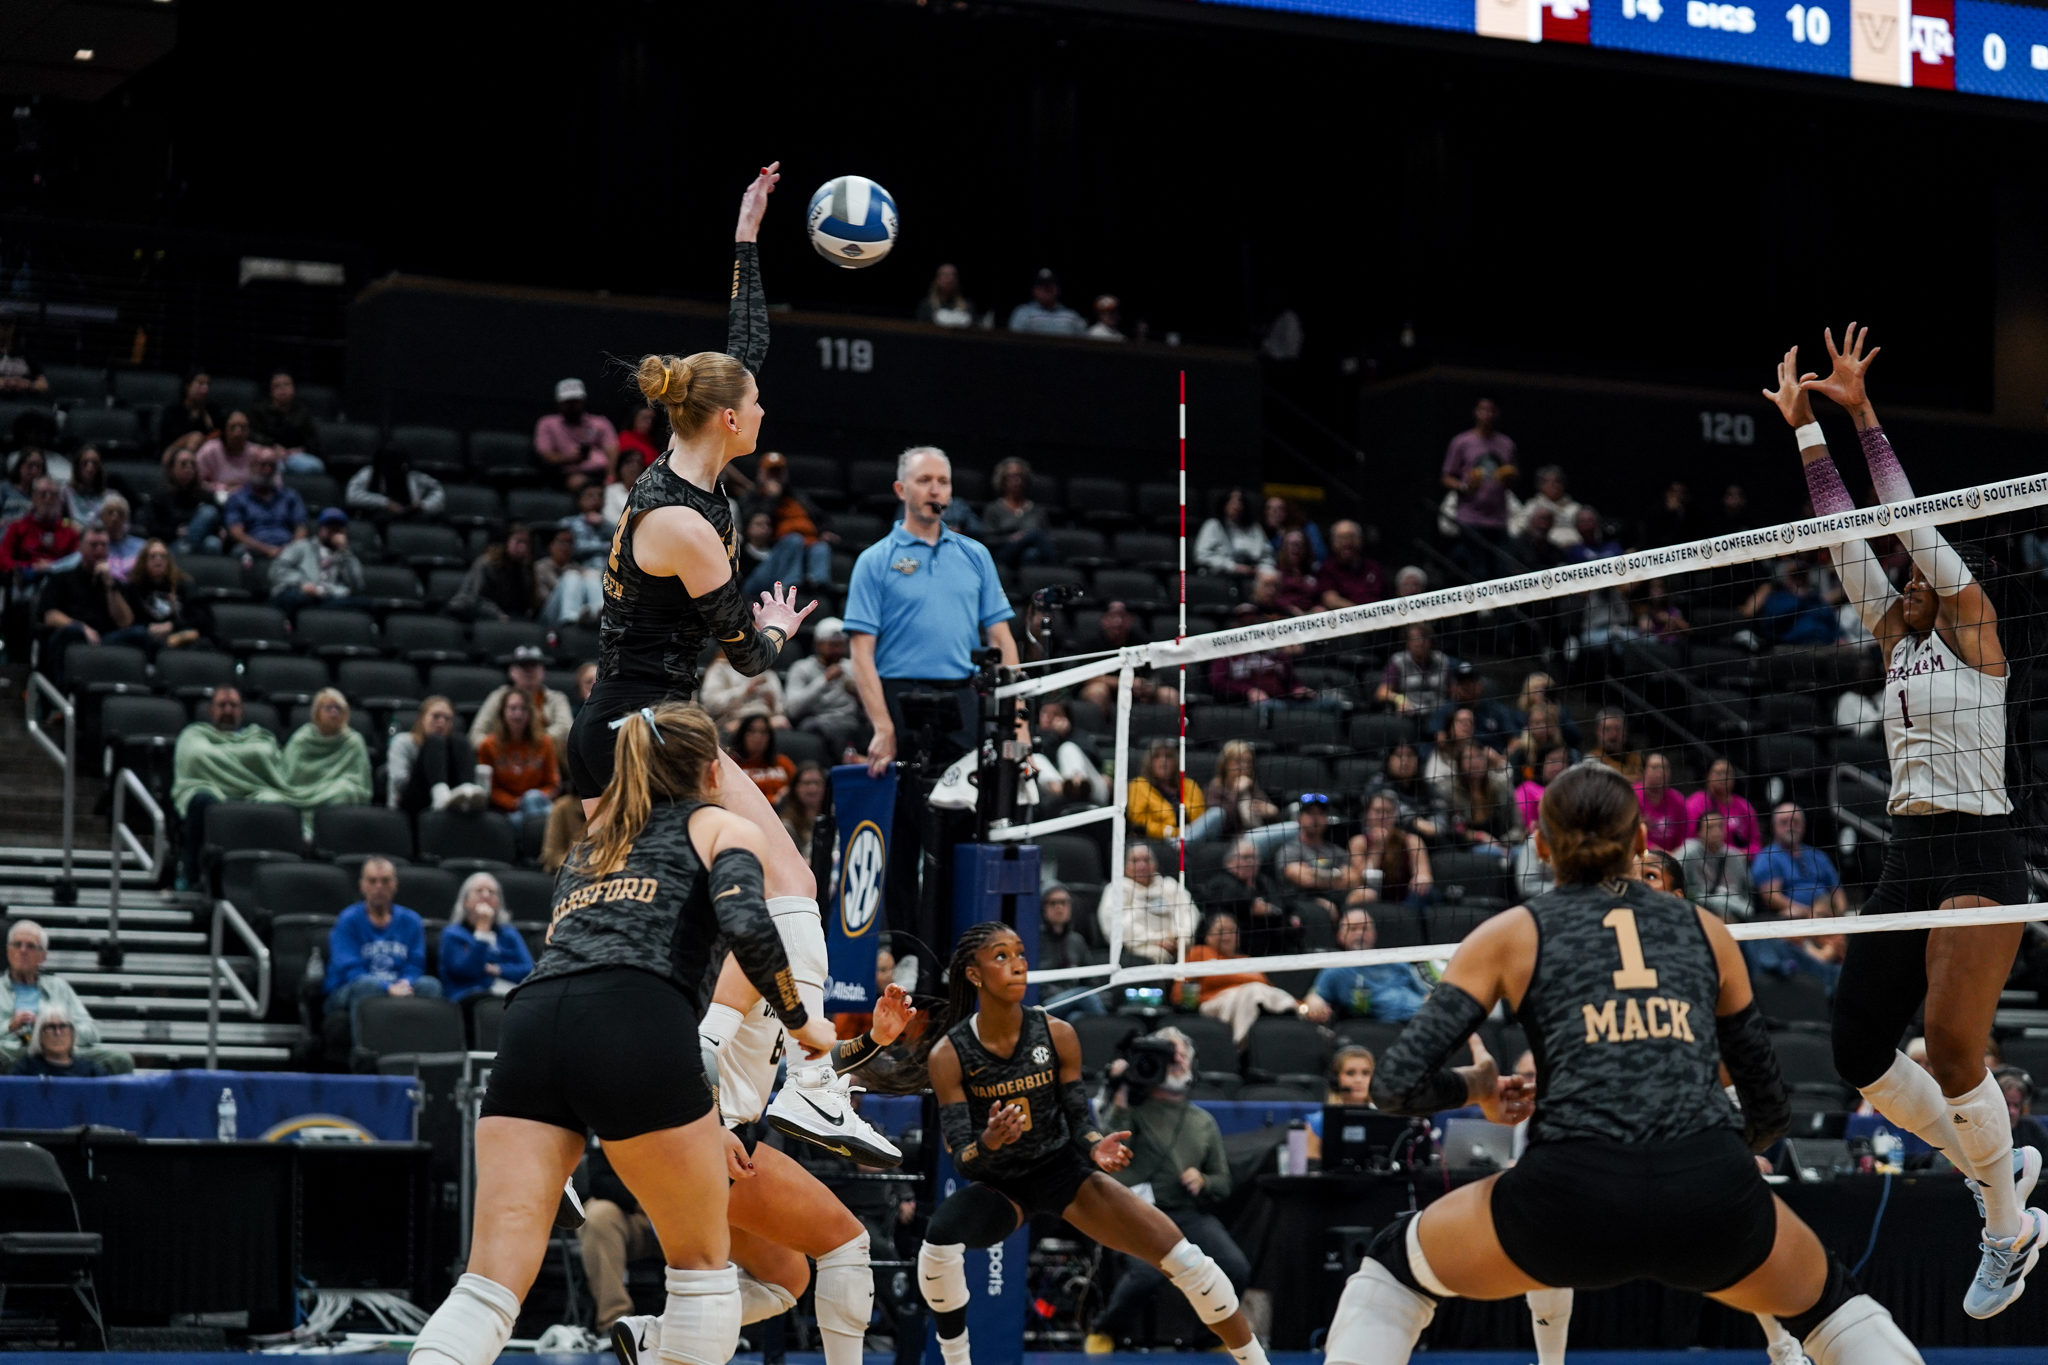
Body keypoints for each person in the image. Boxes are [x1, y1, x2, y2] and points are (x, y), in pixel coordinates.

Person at [1325, 761, 1922, 1365]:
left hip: (1570, 1196)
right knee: (1836, 1308)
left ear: (1541, 847)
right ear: (1640, 841)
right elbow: (1770, 1111)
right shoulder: (1710, 932)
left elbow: (1394, 1086)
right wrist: (1695, 1151)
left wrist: (1475, 1085)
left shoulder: (1509, 934)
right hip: (1707, 1191)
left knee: (1393, 1273)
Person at [559, 167, 845, 1157]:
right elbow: (747, 654)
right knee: (786, 884)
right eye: (754, 403)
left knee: (640, 938)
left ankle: (645, 1096)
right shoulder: (684, 523)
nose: (764, 407)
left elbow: (744, 346)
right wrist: (783, 628)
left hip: (619, 726)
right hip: (649, 733)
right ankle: (811, 1079)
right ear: (727, 419)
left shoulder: (690, 463)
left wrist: (747, 235)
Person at [405, 701, 821, 1365]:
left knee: (485, 1290)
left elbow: (563, 944)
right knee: (702, 1274)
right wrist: (803, 1020)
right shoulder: (723, 825)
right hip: (636, 1016)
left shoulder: (591, 844)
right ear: (715, 771)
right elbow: (751, 927)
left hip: (532, 1023)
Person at [1771, 324, 2045, 1311]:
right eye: (1910, 571)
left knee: (1953, 1044)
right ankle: (1993, 1171)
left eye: (1927, 566)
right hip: (1908, 850)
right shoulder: (1892, 633)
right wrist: (1804, 429)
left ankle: (2006, 1231)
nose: (1914, 572)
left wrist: (1861, 413)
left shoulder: (1975, 626)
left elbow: (1903, 519)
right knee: (1856, 1048)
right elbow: (1847, 536)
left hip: (1978, 846)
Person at [607, 712, 914, 1365]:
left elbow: (808, 1055)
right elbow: (701, 1048)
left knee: (786, 1279)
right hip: (705, 1130)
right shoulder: (749, 953)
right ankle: (672, 1339)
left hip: (684, 1133)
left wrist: (875, 1040)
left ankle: (655, 1338)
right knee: (847, 1244)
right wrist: (713, 1125)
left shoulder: (786, 981)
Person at [916, 923, 1274, 1365]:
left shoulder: (1057, 1033)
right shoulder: (949, 1054)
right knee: (937, 1244)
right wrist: (989, 1141)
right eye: (1002, 956)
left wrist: (1095, 1146)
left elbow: (1079, 1121)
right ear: (974, 975)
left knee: (1188, 1260)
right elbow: (963, 1159)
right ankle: (956, 1361)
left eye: (1021, 953)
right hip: (1002, 1185)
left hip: (1064, 1173)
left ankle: (1256, 1361)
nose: (1018, 965)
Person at [844, 444, 1020, 938]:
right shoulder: (874, 561)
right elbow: (861, 654)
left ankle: (954, 947)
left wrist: (1017, 714)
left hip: (961, 698)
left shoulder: (976, 555)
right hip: (898, 698)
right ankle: (904, 949)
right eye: (924, 480)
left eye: (942, 481)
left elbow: (1003, 640)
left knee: (963, 826)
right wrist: (882, 726)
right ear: (901, 490)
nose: (935, 489)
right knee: (901, 831)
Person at [1087, 1027, 1251, 1350]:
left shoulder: (1203, 1121)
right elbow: (1109, 1150)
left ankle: (1208, 1339)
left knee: (1235, 1267)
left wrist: (1203, 1180)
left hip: (1186, 1214)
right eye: (1167, 1054)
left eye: (1181, 1055)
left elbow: (1223, 1183)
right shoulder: (1132, 1110)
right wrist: (1123, 1087)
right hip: (1137, 1212)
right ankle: (1104, 1330)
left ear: (1192, 1064)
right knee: (1146, 1274)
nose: (1176, 1060)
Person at [172, 686, 288, 889]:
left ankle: (273, 881)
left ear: (241, 710)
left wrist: (220, 757)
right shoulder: (193, 735)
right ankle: (191, 876)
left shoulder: (259, 737)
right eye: (222, 705)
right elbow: (193, 756)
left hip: (255, 792)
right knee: (200, 801)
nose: (228, 710)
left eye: (233, 705)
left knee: (277, 805)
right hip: (209, 790)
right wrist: (241, 757)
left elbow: (270, 762)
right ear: (211, 710)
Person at [322, 857, 443, 1042]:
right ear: (362, 886)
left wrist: (405, 984)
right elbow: (351, 971)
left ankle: (427, 1050)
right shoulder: (348, 920)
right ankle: (365, 1051)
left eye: (385, 881)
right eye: (372, 881)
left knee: (430, 986)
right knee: (367, 985)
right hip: (348, 990)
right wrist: (388, 988)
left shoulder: (411, 921)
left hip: (399, 984)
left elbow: (415, 965)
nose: (379, 887)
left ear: (395, 885)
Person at [1, 920, 132, 1073]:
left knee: (120, 1059)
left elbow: (92, 1031)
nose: (23, 951)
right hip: (15, 1051)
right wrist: (9, 1026)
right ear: (8, 951)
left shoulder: (59, 987)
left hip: (62, 1053)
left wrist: (56, 1029)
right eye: (17, 945)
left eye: (30, 946)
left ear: (43, 956)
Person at [40, 525, 148, 676]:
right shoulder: (60, 579)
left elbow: (125, 622)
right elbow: (50, 616)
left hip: (107, 639)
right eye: (93, 545)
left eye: (103, 545)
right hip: (75, 636)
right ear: (80, 548)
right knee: (70, 633)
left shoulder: (116, 583)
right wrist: (82, 628)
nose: (99, 550)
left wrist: (110, 585)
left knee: (139, 634)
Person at [1180, 912, 1297, 1044]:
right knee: (1252, 991)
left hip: (1250, 1001)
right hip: (1214, 1003)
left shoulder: (1246, 960)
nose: (1227, 936)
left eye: (1232, 932)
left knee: (1259, 992)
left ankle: (1294, 1016)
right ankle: (1239, 1045)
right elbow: (1180, 992)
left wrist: (1302, 1005)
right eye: (1221, 931)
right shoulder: (1198, 952)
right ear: (1207, 935)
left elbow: (1270, 989)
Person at [1301, 906, 1433, 1023]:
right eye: (1353, 929)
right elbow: (1314, 996)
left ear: (1374, 934)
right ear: (1340, 936)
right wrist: (1314, 1004)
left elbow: (1425, 993)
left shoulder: (1394, 960)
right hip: (1391, 1024)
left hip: (1423, 1017)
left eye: (1365, 928)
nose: (1360, 933)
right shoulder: (1336, 969)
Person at [1440, 397, 1517, 576]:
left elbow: (1513, 477)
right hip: (1471, 517)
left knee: (1502, 571)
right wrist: (1464, 486)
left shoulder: (1506, 444)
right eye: (1483, 409)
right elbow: (1446, 477)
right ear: (1475, 412)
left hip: (1498, 518)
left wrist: (1509, 477)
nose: (1487, 414)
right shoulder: (1462, 442)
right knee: (1478, 571)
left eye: (1491, 410)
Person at [279, 688, 373, 834]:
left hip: (335, 792)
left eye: (338, 708)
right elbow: (288, 775)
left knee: (344, 792)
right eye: (329, 708)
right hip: (300, 793)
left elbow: (360, 781)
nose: (334, 712)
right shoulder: (301, 739)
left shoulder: (354, 742)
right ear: (317, 712)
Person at [1275, 793, 1365, 939]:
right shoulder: (1289, 850)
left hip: (1338, 898)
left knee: (1365, 893)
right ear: (1299, 818)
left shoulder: (1336, 850)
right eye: (1310, 813)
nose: (1315, 818)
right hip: (1302, 900)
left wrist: (1314, 873)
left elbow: (1354, 879)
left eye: (1320, 814)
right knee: (1325, 908)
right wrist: (1338, 875)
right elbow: (1304, 879)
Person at [440, 873, 535, 1005]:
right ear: (465, 901)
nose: (486, 895)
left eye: (492, 892)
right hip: (467, 997)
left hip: (509, 992)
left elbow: (529, 970)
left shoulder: (509, 933)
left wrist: (495, 969)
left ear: (499, 902)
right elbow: (467, 971)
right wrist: (482, 931)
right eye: (479, 891)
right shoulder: (452, 933)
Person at [1194, 837, 1296, 958]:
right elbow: (1250, 905)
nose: (1251, 862)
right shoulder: (1221, 881)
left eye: (1254, 858)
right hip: (1241, 944)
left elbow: (1280, 905)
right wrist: (1262, 908)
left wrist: (1273, 910)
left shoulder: (1263, 881)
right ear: (1230, 861)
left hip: (1271, 942)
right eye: (1245, 857)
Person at [477, 688, 561, 833]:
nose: (518, 714)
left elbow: (552, 784)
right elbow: (489, 789)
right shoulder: (488, 746)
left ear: (531, 713)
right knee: (519, 820)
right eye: (513, 708)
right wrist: (515, 803)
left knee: (533, 800)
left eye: (523, 709)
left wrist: (530, 799)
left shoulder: (544, 743)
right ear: (503, 713)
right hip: (506, 812)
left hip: (538, 803)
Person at [1103, 842, 1199, 966]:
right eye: (1135, 861)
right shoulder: (1116, 889)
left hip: (1177, 943)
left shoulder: (1170, 885)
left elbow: (1189, 912)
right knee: (1158, 955)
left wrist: (1181, 937)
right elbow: (1116, 924)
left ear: (1155, 864)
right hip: (1141, 947)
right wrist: (1157, 939)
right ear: (1125, 866)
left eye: (1147, 860)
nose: (1142, 865)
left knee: (1198, 953)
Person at [390, 696, 488, 813]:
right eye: (436, 716)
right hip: (410, 803)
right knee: (435, 741)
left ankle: (467, 792)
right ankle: (440, 794)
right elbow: (399, 783)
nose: (441, 722)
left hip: (452, 802)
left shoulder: (455, 746)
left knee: (460, 740)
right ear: (422, 718)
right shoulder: (403, 741)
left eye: (447, 719)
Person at [785, 617, 863, 759]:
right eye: (832, 646)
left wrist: (857, 694)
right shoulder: (801, 668)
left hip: (849, 722)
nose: (837, 651)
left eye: (840, 645)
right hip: (818, 722)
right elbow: (792, 710)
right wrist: (824, 680)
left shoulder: (852, 668)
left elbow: (870, 705)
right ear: (818, 645)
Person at [470, 646, 575, 751]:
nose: (529, 671)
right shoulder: (498, 697)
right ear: (511, 671)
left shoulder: (557, 699)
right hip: (504, 756)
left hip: (545, 755)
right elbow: (476, 734)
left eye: (533, 665)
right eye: (523, 666)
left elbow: (566, 729)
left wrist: (531, 743)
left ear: (543, 671)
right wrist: (498, 748)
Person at [1749, 803, 1844, 918]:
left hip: (1826, 914)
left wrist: (1838, 914)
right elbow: (1772, 897)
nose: (1791, 826)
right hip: (1793, 918)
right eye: (1784, 822)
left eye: (1796, 822)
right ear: (1774, 827)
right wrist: (1809, 913)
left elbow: (1838, 892)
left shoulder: (1818, 856)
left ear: (1804, 825)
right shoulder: (1767, 857)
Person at [1203, 741, 1293, 857]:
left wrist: (1273, 813)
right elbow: (1223, 821)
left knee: (1296, 828)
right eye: (1238, 761)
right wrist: (1237, 792)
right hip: (1236, 840)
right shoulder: (1214, 789)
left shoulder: (1253, 789)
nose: (1244, 766)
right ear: (1225, 764)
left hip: (1259, 834)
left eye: (1248, 762)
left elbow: (1275, 822)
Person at [270, 506, 367, 613]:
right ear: (320, 529)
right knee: (295, 599)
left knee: (366, 605)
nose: (333, 531)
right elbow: (276, 570)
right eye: (329, 527)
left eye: (338, 528)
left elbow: (357, 586)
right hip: (300, 592)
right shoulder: (302, 546)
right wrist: (302, 583)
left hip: (328, 598)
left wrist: (345, 553)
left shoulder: (346, 556)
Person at [222, 449, 309, 564]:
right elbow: (236, 532)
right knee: (239, 551)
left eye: (272, 466)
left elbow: (301, 528)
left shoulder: (290, 496)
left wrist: (289, 550)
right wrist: (267, 550)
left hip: (288, 550)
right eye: (262, 465)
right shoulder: (237, 498)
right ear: (252, 467)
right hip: (254, 550)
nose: (267, 470)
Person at [1351, 791, 1434, 908]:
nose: (1383, 816)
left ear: (1395, 815)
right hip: (1372, 898)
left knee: (1425, 893)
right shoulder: (1359, 842)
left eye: (1388, 811)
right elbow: (1360, 880)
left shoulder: (1411, 840)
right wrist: (1377, 848)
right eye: (1378, 811)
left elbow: (1424, 873)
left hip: (1406, 898)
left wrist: (1422, 878)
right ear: (1368, 815)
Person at [534, 378, 618, 492]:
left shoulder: (600, 423)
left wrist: (611, 476)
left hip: (601, 472)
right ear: (559, 403)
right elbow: (546, 455)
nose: (572, 406)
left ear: (583, 401)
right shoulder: (547, 424)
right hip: (568, 474)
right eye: (567, 402)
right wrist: (572, 459)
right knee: (578, 482)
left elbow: (612, 450)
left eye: (575, 401)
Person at [1039, 885, 1108, 1020]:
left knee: (1076, 1017)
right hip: (1043, 1004)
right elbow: (1036, 985)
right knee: (1086, 996)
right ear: (1043, 907)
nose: (1059, 907)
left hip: (1073, 999)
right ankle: (1107, 1030)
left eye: (1064, 902)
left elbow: (1091, 979)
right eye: (1053, 903)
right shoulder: (1034, 942)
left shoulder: (1076, 940)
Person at [121, 539, 202, 652]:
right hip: (146, 638)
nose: (158, 559)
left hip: (179, 636)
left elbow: (200, 618)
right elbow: (130, 621)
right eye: (153, 556)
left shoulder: (184, 585)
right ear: (144, 561)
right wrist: (149, 628)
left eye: (162, 556)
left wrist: (172, 626)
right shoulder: (134, 588)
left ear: (169, 561)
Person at [1440, 745, 1522, 855]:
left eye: (1479, 756)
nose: (1475, 762)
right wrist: (1479, 836)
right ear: (1459, 763)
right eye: (1469, 758)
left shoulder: (1501, 787)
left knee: (1523, 852)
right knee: (1493, 853)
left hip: (1505, 846)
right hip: (1468, 849)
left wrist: (1504, 843)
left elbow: (1517, 826)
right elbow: (1450, 830)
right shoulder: (1450, 792)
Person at [1127, 741, 1217, 842]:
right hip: (1158, 840)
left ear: (1176, 762)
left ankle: (1184, 842)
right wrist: (1172, 832)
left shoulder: (1190, 785)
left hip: (1195, 838)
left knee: (1217, 814)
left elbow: (1200, 819)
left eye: (1168, 756)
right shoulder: (1139, 785)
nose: (1163, 761)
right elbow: (1138, 822)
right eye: (1157, 757)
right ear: (1149, 763)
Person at [448, 523, 537, 621]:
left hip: (503, 618)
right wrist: (497, 615)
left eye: (527, 543)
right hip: (471, 614)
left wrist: (527, 572)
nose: (523, 547)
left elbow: (525, 605)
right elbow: (474, 599)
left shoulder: (524, 568)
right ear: (506, 541)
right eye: (519, 542)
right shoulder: (487, 564)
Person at [982, 457, 1056, 570]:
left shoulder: (1037, 510)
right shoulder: (993, 509)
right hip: (1004, 554)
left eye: (1020, 477)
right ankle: (1055, 565)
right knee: (1035, 534)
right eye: (1011, 477)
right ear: (1002, 480)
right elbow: (988, 540)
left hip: (1032, 557)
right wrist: (1011, 538)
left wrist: (1024, 538)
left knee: (1030, 554)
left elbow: (1048, 538)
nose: (1017, 481)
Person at [1681, 810, 1755, 922]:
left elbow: (1747, 894)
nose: (1716, 832)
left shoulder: (1735, 857)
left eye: (1720, 826)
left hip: (1734, 913)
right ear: (1699, 832)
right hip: (1698, 913)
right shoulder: (1687, 853)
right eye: (1710, 827)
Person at [148, 446, 222, 555]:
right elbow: (152, 526)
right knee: (207, 513)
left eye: (193, 464)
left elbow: (218, 521)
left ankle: (190, 546)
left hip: (202, 539)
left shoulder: (205, 495)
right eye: (183, 464)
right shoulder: (161, 496)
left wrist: (220, 530)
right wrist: (175, 532)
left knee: (213, 543)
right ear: (172, 469)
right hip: (173, 541)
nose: (189, 468)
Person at [0, 476, 78, 575]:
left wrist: (53, 566)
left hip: (59, 579)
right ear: (34, 497)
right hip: (25, 578)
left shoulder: (69, 532)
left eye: (53, 494)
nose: (48, 498)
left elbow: (77, 560)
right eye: (43, 494)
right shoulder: (18, 527)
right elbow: (3, 558)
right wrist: (28, 568)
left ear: (59, 499)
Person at [347, 444, 446, 521]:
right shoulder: (368, 474)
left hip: (411, 521)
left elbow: (438, 492)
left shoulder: (414, 476)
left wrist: (423, 506)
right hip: (375, 520)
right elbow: (352, 496)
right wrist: (386, 503)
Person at [9, 1003, 108, 1077]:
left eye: (63, 1026)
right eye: (50, 1027)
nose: (58, 1033)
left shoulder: (91, 1071)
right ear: (39, 1035)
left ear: (73, 1033)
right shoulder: (25, 1069)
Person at [1687, 756, 1761, 856]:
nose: (1723, 777)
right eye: (1718, 773)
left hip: (1737, 860)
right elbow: (1689, 842)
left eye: (1727, 773)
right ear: (1708, 776)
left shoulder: (1744, 807)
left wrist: (1736, 856)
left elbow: (1755, 845)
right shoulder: (1695, 804)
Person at [1377, 623, 1452, 717]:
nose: (1419, 642)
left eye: (1424, 638)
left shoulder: (1442, 660)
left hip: (1439, 713)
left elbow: (1454, 691)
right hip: (1410, 713)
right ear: (1407, 643)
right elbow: (1382, 692)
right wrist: (1399, 699)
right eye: (1414, 638)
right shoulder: (1398, 661)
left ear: (1431, 641)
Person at [1195, 487, 1272, 578]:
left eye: (1239, 501)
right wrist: (1232, 567)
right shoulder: (1213, 525)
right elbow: (1202, 556)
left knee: (1272, 576)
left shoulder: (1255, 528)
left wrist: (1260, 569)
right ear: (1224, 504)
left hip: (1253, 572)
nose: (1236, 505)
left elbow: (1267, 557)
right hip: (1222, 573)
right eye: (1232, 501)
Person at [1509, 466, 1583, 550]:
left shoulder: (1575, 508)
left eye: (1557, 482)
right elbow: (1519, 529)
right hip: (1547, 551)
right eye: (1548, 482)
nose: (1553, 485)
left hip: (1577, 550)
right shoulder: (1533, 506)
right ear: (1540, 486)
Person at [729, 711, 794, 804]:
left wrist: (788, 792)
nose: (758, 737)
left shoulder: (783, 762)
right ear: (742, 735)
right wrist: (772, 799)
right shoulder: (731, 764)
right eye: (751, 731)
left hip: (782, 810)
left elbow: (798, 787)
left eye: (764, 732)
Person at [194, 411, 266, 495]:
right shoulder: (209, 450)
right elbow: (197, 482)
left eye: (243, 428)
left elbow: (272, 481)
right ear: (224, 430)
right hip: (215, 497)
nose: (238, 433)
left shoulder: (257, 453)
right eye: (233, 427)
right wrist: (224, 488)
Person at [1319, 520, 1384, 609]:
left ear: (1360, 540)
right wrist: (1362, 612)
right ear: (1333, 543)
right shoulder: (1327, 569)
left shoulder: (1373, 567)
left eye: (1351, 537)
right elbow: (1330, 600)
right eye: (1341, 538)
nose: (1346, 543)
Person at [1007, 268, 1088, 335]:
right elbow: (1014, 341)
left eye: (1049, 285)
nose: (1045, 289)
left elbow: (1084, 343)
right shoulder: (1022, 314)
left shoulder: (1072, 316)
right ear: (1034, 290)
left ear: (1057, 289)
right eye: (1041, 285)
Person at [158, 371, 221, 457]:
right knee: (196, 437)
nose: (205, 389)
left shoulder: (212, 410)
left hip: (204, 453)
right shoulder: (173, 410)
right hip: (172, 453)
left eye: (207, 385)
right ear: (188, 386)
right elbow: (170, 437)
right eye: (200, 384)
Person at [1636, 752, 1688, 852]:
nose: (1661, 772)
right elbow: (1632, 835)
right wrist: (1661, 853)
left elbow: (1683, 835)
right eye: (1655, 767)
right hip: (1641, 853)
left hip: (1673, 855)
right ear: (1644, 771)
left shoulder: (1678, 799)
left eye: (1665, 768)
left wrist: (1675, 854)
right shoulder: (1633, 796)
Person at [1514, 743, 1570, 835]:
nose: (1559, 766)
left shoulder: (1573, 788)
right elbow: (1527, 825)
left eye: (1564, 761)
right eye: (1553, 761)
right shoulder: (1527, 788)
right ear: (1541, 763)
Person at [95, 494, 146, 581]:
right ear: (101, 516)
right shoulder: (95, 546)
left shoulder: (141, 546)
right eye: (110, 512)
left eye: (120, 513)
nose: (115, 518)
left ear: (126, 519)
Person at [1587, 706, 1643, 782]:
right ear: (1598, 732)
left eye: (1618, 729)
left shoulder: (1637, 758)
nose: (1613, 734)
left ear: (1625, 731)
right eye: (1607, 729)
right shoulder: (1591, 762)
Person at [916, 263, 977, 328]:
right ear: (937, 280)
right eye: (946, 276)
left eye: (953, 276)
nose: (950, 280)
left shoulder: (968, 307)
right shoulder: (927, 306)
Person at [65, 445, 110, 528]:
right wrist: (69, 524)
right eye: (85, 463)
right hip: (74, 534)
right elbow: (58, 519)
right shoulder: (66, 493)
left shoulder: (109, 496)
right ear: (77, 466)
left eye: (94, 463)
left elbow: (124, 525)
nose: (90, 468)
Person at [1, 448, 45, 524]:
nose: (34, 471)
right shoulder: (4, 488)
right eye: (30, 465)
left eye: (38, 466)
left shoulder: (45, 494)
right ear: (21, 466)